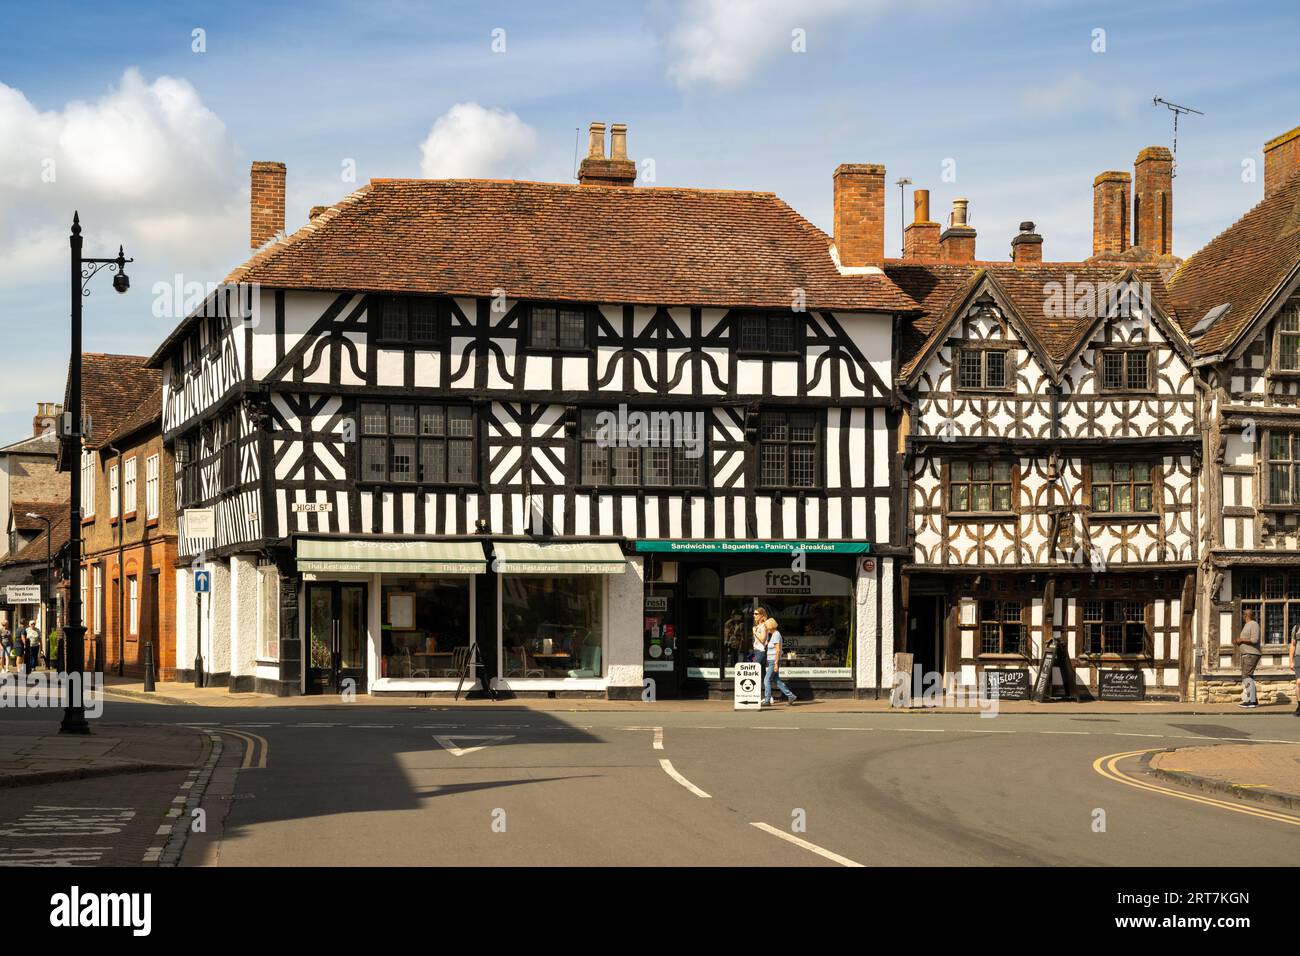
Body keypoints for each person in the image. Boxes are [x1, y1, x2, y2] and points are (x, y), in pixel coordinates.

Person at [762, 617, 797, 706]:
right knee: (777, 680)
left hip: (773, 661)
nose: (766, 628)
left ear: (770, 626)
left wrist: (775, 663)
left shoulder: (776, 635)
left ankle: (767, 700)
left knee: (767, 679)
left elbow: (777, 650)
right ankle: (791, 695)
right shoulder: (773, 635)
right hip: (772, 660)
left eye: (766, 626)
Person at [1234, 609, 1262, 709]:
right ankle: (1254, 700)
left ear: (1246, 615)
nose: (1242, 616)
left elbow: (1255, 639)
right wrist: (1239, 641)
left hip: (1251, 654)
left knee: (1246, 676)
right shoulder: (1247, 625)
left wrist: (1241, 640)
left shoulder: (1253, 624)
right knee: (1249, 676)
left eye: (1243, 614)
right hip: (1247, 654)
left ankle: (1251, 700)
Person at [1291, 622, 1299, 717]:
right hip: (1298, 657)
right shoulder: (1296, 628)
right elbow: (1293, 645)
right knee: (1299, 682)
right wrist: (1291, 660)